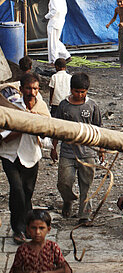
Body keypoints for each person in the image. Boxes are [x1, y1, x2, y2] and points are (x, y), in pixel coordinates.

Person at [0, 73, 50, 244]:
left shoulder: (41, 107)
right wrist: (24, 125)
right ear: (21, 89)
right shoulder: (12, 106)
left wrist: (36, 124)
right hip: (10, 155)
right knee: (17, 190)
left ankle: (29, 227)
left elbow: (48, 134)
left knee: (27, 192)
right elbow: (4, 136)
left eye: (35, 88)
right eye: (28, 88)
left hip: (31, 155)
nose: (31, 92)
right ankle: (18, 229)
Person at [51, 73, 103, 225]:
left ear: (87, 90)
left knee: (86, 184)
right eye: (76, 91)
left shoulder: (92, 106)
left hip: (88, 152)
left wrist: (101, 150)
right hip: (67, 152)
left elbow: (99, 129)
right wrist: (54, 148)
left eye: (83, 92)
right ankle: (68, 200)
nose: (79, 94)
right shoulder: (63, 106)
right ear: (71, 89)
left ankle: (84, 215)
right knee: (64, 182)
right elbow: (56, 129)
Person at [45, 0, 70, 65]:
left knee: (52, 43)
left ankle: (53, 61)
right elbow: (64, 9)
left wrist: (46, 17)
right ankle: (66, 55)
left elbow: (54, 10)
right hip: (60, 21)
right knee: (55, 41)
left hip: (54, 21)